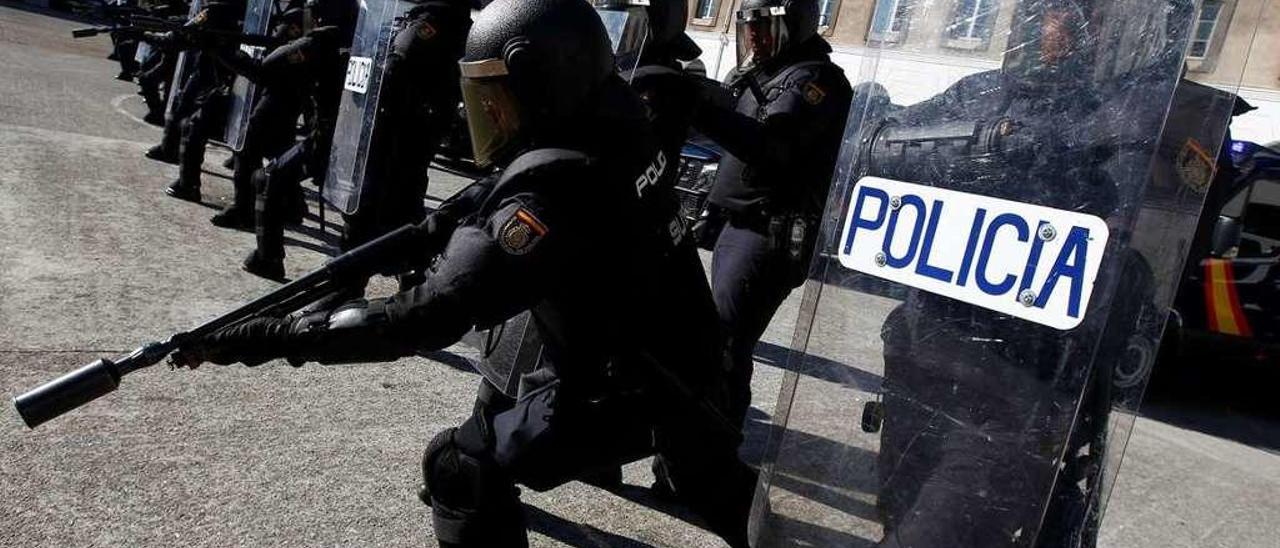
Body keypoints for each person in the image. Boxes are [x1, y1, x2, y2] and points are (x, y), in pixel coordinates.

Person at [172, 0, 756, 545]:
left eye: (497, 95)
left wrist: (270, 336)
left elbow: (420, 317)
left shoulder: (552, 195)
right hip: (685, 361)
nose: (485, 113)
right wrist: (446, 220)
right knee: (728, 499)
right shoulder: (620, 123)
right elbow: (531, 175)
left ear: (539, 81)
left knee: (457, 468)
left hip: (627, 386)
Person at [688, 0, 852, 426]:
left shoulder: (815, 80)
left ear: (794, 25)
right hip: (737, 224)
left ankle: (710, 455)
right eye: (749, 28)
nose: (755, 37)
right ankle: (689, 455)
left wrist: (701, 108)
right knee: (710, 338)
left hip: (768, 230)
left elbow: (771, 147)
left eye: (765, 27)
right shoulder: (762, 74)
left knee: (724, 342)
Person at [236, 0, 359, 279]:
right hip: (353, 142)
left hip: (328, 141)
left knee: (269, 176)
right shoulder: (361, 38)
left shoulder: (323, 40)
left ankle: (269, 258)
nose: (310, 19)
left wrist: (221, 49)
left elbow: (267, 67)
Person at [207, 5, 309, 229]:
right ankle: (293, 205)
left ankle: (243, 210)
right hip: (286, 94)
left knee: (247, 148)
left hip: (282, 94)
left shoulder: (302, 21)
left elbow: (263, 70)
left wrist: (223, 51)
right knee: (279, 150)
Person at [152, 0, 245, 202]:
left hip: (218, 76)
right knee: (186, 113)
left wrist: (160, 37)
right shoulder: (246, 10)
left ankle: (189, 185)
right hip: (226, 74)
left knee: (195, 128)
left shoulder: (218, 9)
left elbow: (186, 34)